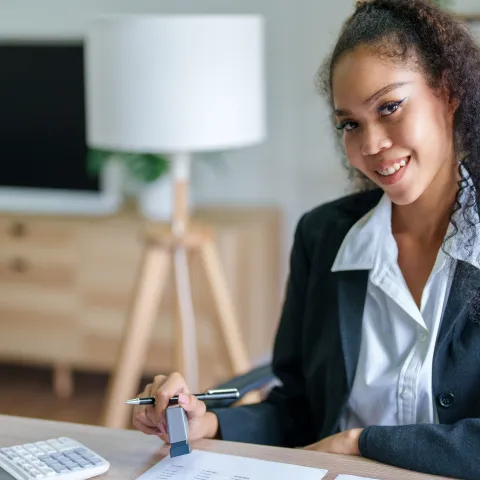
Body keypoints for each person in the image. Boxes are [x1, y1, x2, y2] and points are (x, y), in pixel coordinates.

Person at [132, 1, 480, 478]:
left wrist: (362, 443)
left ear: (447, 92)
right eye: (350, 124)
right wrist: (208, 423)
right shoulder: (323, 237)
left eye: (389, 107)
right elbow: (297, 409)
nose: (371, 143)